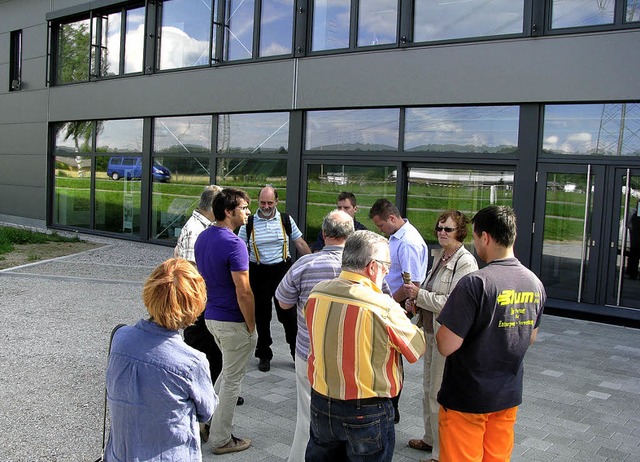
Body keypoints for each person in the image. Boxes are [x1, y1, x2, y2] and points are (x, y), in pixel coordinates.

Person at [304, 230, 427, 461]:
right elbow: (416, 349)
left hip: (321, 401)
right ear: (373, 267)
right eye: (387, 265)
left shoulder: (317, 292)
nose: (388, 271)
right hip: (367, 410)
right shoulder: (383, 306)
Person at [436, 206, 545, 461]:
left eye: (474, 238)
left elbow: (446, 344)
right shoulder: (534, 283)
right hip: (507, 396)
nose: (475, 244)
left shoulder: (475, 283)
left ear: (485, 237)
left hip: (467, 398)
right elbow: (530, 337)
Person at [104, 258, 218, 462]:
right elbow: (206, 412)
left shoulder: (119, 338)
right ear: (195, 305)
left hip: (121, 453)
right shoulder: (192, 363)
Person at [275, 209, 355, 462]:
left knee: (307, 415)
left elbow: (283, 301)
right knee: (348, 416)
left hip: (309, 351)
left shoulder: (305, 264)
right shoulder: (364, 268)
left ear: (323, 234)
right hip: (350, 355)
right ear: (351, 236)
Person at [400, 210, 478, 462]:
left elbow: (453, 303)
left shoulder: (465, 262)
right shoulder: (440, 257)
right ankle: (429, 438)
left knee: (439, 392)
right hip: (431, 333)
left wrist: (419, 295)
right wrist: (417, 300)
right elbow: (433, 294)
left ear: (461, 232)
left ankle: (440, 453)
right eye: (439, 228)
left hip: (447, 338)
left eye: (448, 229)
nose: (442, 233)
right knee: (427, 389)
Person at [173, 185, 243, 442]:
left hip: (205, 305)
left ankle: (210, 403)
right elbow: (194, 274)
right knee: (204, 356)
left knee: (211, 356)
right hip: (199, 307)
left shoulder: (200, 227)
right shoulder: (197, 230)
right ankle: (201, 412)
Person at [194, 187, 256, 455]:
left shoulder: (203, 237)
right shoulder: (234, 244)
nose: (248, 213)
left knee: (226, 374)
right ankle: (221, 438)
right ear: (229, 212)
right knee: (232, 380)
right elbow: (244, 291)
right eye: (244, 208)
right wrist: (252, 326)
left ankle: (207, 422)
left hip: (211, 317)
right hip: (232, 321)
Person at [238, 185, 312, 372]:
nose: (266, 206)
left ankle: (296, 353)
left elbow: (300, 243)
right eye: (263, 202)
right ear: (258, 201)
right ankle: (264, 354)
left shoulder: (285, 219)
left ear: (276, 202)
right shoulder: (250, 222)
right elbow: (238, 247)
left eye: (270, 202)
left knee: (288, 316)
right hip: (258, 271)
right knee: (261, 316)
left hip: (282, 271)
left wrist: (311, 263)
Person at [369, 197, 429, 422]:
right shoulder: (397, 237)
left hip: (397, 306)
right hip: (390, 303)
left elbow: (411, 286)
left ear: (392, 218)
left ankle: (392, 408)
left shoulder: (408, 242)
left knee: (392, 357)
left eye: (381, 225)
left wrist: (388, 304)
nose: (380, 230)